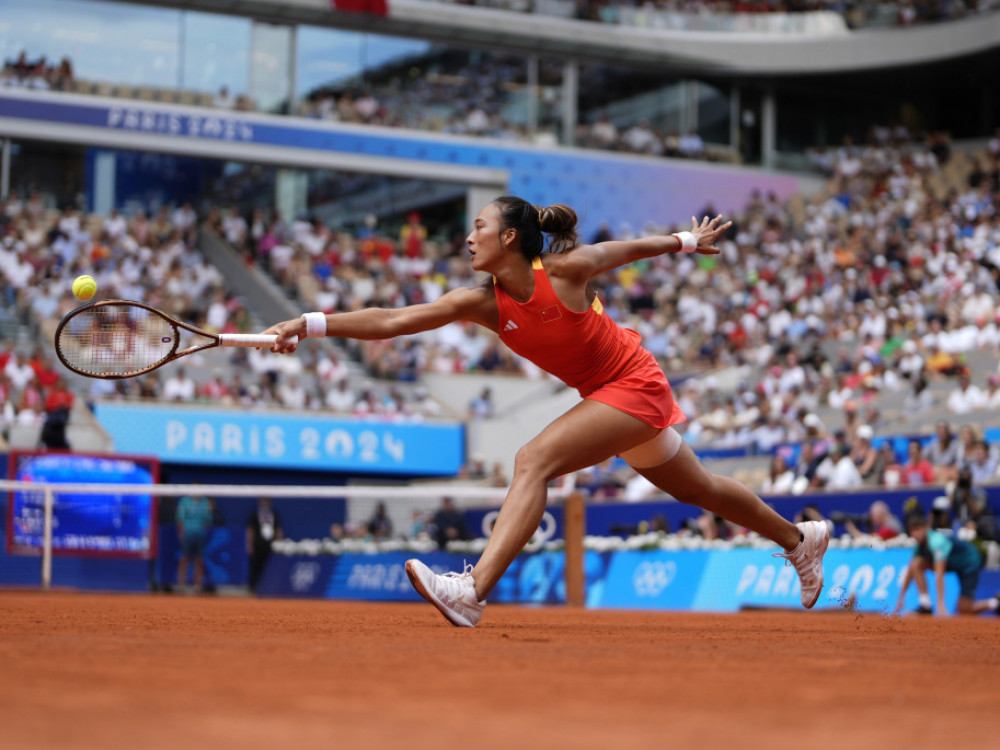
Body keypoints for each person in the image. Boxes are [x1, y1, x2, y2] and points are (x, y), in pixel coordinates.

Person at [264, 195, 829, 627]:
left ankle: (472, 591)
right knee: (698, 490)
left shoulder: (562, 272)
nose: (468, 238)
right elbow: (390, 320)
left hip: (633, 382)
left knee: (532, 459)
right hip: (604, 395)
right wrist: (305, 325)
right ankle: (799, 540)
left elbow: (625, 250)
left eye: (478, 228)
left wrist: (685, 240)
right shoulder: (484, 304)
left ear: (510, 236)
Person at [893, 513, 999, 617]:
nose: (915, 534)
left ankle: (996, 603)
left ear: (925, 528)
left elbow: (939, 575)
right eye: (912, 531)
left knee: (964, 608)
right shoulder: (919, 546)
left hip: (969, 563)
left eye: (918, 529)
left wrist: (940, 604)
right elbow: (911, 570)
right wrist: (900, 599)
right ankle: (925, 605)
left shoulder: (936, 542)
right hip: (954, 564)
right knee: (916, 563)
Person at [175, 493, 215, 592]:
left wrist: (202, 530)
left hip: (200, 535)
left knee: (199, 559)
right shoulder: (184, 501)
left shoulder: (205, 502)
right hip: (188, 534)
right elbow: (179, 519)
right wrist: (182, 533)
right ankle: (181, 584)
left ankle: (197, 585)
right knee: (184, 558)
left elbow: (208, 519)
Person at [246, 497, 283, 593]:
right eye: (263, 501)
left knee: (269, 567)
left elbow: (278, 529)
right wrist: (249, 545)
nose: (265, 503)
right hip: (258, 545)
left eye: (267, 501)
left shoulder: (274, 514)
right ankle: (253, 588)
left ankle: (268, 587)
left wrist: (279, 543)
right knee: (255, 567)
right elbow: (250, 530)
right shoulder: (255, 514)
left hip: (270, 545)